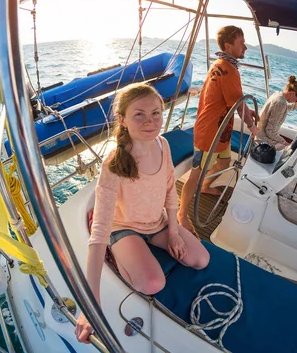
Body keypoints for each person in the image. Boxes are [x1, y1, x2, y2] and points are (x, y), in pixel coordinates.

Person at [75, 83, 210, 344]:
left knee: (200, 259)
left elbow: (171, 190)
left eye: (156, 114)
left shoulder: (163, 145)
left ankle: (145, 248)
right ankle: (120, 253)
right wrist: (89, 305)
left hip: (156, 224)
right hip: (123, 228)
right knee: (151, 284)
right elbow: (100, 229)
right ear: (122, 120)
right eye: (139, 114)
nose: (150, 122)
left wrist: (173, 233)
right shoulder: (114, 163)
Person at [177, 25, 259, 235]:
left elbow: (237, 99)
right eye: (242, 43)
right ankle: (181, 213)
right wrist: (252, 126)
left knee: (224, 161)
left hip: (220, 132)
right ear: (228, 46)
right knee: (196, 172)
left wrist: (249, 112)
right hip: (209, 133)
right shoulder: (229, 70)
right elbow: (239, 106)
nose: (245, 48)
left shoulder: (221, 64)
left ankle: (205, 186)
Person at [257, 75, 297, 150]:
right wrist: (287, 144)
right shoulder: (281, 103)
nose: (296, 101)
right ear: (293, 93)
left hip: (260, 133)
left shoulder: (278, 94)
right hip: (262, 139)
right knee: (289, 151)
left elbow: (285, 109)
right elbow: (269, 131)